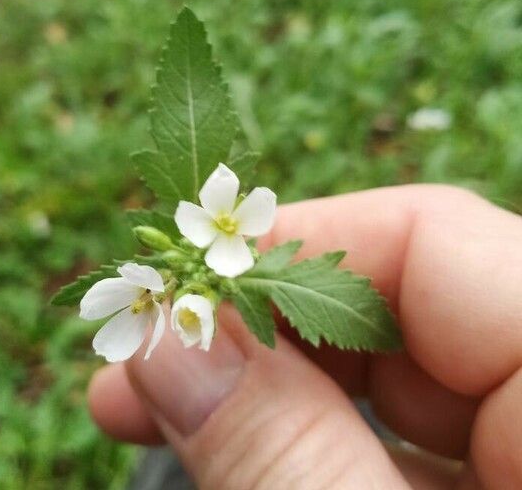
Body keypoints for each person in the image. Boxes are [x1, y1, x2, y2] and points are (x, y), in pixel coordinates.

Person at [88, 185, 522, 489]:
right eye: (221, 220)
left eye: (228, 219)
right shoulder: (181, 264)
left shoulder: (230, 245)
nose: (224, 220)